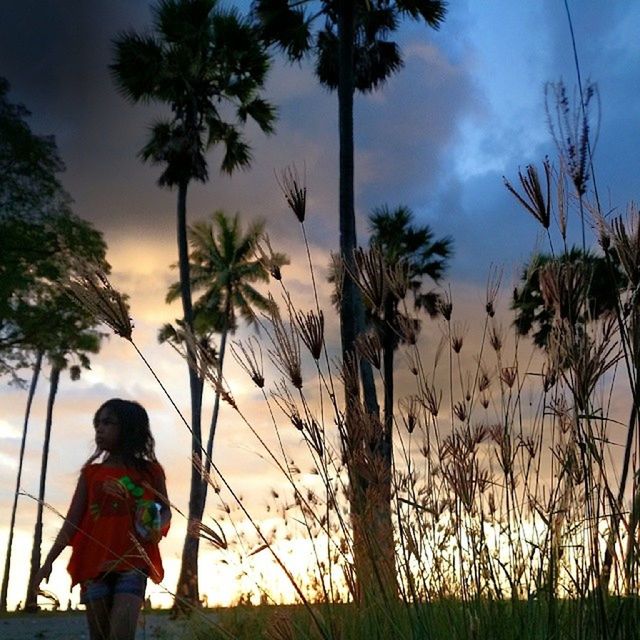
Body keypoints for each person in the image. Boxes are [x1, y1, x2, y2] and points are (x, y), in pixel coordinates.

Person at [35, 398, 171, 640]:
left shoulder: (151, 472)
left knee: (120, 635)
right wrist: (48, 561)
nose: (99, 428)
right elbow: (73, 521)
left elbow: (165, 510)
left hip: (133, 562)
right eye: (97, 423)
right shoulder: (92, 474)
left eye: (108, 422)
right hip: (93, 565)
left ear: (129, 428)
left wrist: (155, 526)